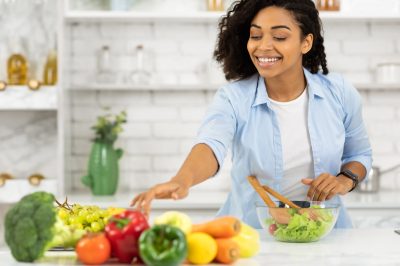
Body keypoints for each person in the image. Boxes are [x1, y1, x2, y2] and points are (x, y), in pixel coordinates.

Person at [131, 0, 372, 229]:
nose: (263, 46)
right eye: (255, 35)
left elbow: (359, 154)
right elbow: (211, 145)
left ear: (306, 43)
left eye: (279, 36)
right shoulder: (234, 98)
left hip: (326, 233)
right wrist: (182, 180)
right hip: (252, 235)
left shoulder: (338, 92)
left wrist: (345, 179)